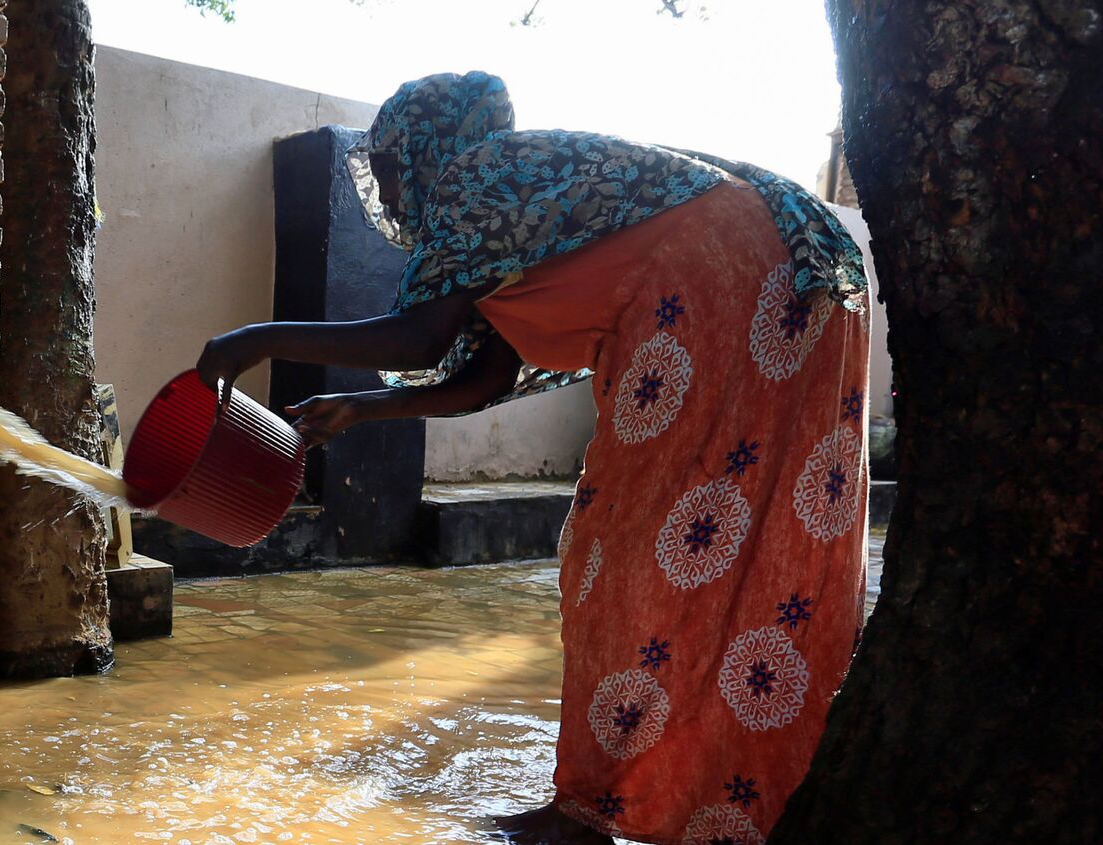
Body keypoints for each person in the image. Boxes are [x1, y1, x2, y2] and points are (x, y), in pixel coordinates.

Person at [197, 72, 871, 845]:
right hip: (804, 283)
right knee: (744, 552)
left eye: (388, 166)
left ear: (426, 147)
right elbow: (481, 374)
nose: (385, 190)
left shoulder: (478, 177)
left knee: (618, 545)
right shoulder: (527, 209)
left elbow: (415, 340)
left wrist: (251, 341)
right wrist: (363, 407)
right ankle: (738, 800)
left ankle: (587, 812)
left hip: (726, 281)